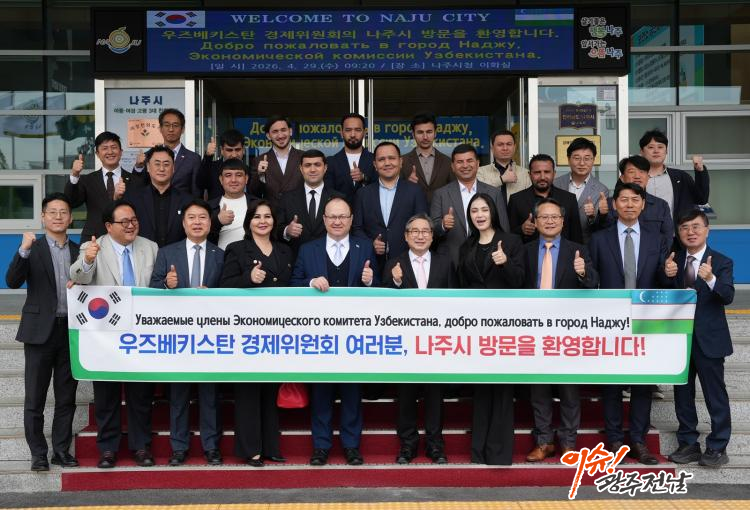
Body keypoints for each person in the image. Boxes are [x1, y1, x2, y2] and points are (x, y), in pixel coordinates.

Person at [589, 181, 675, 465]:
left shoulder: (656, 239)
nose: (629, 204)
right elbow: (592, 280)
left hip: (646, 319)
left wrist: (669, 274)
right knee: (612, 383)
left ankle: (638, 440)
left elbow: (662, 280)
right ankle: (614, 441)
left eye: (634, 199)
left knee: (642, 383)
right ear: (615, 205)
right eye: (623, 199)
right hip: (609, 320)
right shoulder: (599, 239)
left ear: (643, 204)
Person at [69, 199, 159, 468]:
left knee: (140, 395)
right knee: (106, 395)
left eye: (134, 220)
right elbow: (79, 277)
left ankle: (141, 446)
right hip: (105, 337)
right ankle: (108, 449)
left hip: (140, 335)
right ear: (109, 226)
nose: (131, 226)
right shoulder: (93, 247)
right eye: (124, 222)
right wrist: (88, 260)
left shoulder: (150, 247)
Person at [291, 197, 378, 466]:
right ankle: (321, 446)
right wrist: (310, 282)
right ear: (324, 219)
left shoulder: (365, 247)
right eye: (332, 217)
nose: (337, 221)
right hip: (320, 334)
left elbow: (379, 285)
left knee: (352, 390)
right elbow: (293, 283)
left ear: (351, 220)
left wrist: (370, 281)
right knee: (321, 390)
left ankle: (351, 446)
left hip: (355, 332)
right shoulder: (308, 249)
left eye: (342, 216)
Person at [5, 193, 80, 471]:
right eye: (52, 212)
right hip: (39, 333)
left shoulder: (80, 251)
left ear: (70, 218)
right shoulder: (32, 248)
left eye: (64, 212)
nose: (58, 216)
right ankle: (38, 454)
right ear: (43, 217)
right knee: (35, 398)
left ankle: (61, 451)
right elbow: (12, 281)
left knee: (66, 398)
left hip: (70, 331)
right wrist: (23, 250)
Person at [149, 199, 224, 466]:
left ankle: (211, 446)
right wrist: (167, 285)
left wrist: (212, 295)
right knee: (178, 394)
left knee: (209, 394)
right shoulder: (167, 253)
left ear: (210, 223)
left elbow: (230, 293)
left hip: (209, 336)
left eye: (202, 217)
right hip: (178, 336)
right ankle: (179, 447)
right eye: (192, 217)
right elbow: (152, 288)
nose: (197, 222)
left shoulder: (220, 254)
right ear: (183, 223)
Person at [522, 198, 598, 462]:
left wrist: (582, 272)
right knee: (538, 389)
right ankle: (544, 441)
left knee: (568, 390)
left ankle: (568, 442)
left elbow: (594, 283)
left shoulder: (578, 250)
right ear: (535, 222)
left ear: (563, 222)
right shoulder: (525, 250)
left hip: (567, 331)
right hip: (534, 330)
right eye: (544, 217)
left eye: (555, 217)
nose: (550, 221)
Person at [221, 200, 292, 467]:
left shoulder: (285, 250)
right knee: (249, 390)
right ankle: (250, 449)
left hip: (277, 330)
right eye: (257, 217)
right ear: (248, 222)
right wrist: (248, 279)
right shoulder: (237, 249)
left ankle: (270, 447)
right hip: (247, 331)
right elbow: (224, 286)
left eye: (268, 216)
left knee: (270, 389)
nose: (263, 221)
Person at [383, 213, 455, 464]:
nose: (420, 236)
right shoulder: (394, 263)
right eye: (415, 231)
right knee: (406, 395)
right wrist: (396, 281)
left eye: (425, 231)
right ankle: (407, 445)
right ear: (406, 236)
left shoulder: (445, 262)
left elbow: (455, 301)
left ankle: (435, 446)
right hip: (405, 343)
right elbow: (383, 305)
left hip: (436, 342)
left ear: (433, 236)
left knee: (435, 395)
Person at [457, 193, 525, 465]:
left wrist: (505, 263)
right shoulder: (467, 245)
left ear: (493, 212)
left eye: (484, 209)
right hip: (475, 325)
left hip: (504, 324)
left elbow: (521, 281)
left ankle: (499, 453)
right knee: (482, 388)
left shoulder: (511, 242)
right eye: (474, 211)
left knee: (502, 388)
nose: (479, 215)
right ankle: (479, 451)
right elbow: (462, 285)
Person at [667, 210, 734, 468]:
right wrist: (666, 275)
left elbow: (727, 295)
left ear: (707, 230)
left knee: (715, 395)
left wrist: (710, 279)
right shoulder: (672, 260)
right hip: (678, 338)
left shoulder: (722, 261)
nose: (690, 232)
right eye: (685, 227)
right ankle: (688, 443)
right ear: (679, 232)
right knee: (682, 394)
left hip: (709, 340)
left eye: (696, 226)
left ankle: (718, 446)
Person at [353, 142, 428, 272]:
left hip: (408, 263)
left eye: (392, 158)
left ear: (401, 162)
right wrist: (371, 244)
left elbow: (423, 226)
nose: (387, 163)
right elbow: (356, 228)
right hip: (371, 264)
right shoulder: (363, 194)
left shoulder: (415, 191)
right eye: (381, 159)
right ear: (375, 165)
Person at [431, 143, 509, 266]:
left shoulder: (494, 193)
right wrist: (443, 225)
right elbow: (431, 231)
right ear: (452, 166)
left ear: (477, 164)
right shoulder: (440, 194)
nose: (465, 165)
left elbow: (503, 229)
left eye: (469, 161)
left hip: (487, 260)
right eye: (460, 162)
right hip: (451, 261)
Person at [64, 131, 132, 239]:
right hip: (94, 239)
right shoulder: (88, 180)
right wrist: (75, 174)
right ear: (97, 154)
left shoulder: (134, 180)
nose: (110, 152)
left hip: (126, 238)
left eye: (114, 147)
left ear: (121, 152)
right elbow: (71, 202)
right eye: (105, 148)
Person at [277, 149, 345, 257]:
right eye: (307, 165)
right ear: (301, 169)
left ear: (325, 168)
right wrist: (287, 231)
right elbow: (276, 229)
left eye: (317, 165)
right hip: (297, 259)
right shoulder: (286, 198)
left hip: (330, 259)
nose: (312, 170)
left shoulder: (339, 198)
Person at [596, 155, 674, 247]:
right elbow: (598, 236)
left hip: (652, 255)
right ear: (622, 178)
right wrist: (602, 215)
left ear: (648, 177)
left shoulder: (661, 206)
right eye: (631, 172)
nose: (637, 176)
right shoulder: (609, 204)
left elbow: (667, 238)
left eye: (642, 172)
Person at [125, 144, 193, 247]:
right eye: (157, 164)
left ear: (173, 168)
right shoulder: (133, 198)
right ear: (148, 167)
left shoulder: (187, 200)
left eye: (166, 164)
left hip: (176, 255)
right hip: (142, 253)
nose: (162, 169)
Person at [508, 154, 583, 244]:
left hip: (564, 252)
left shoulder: (569, 199)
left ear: (554, 174)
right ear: (530, 174)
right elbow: (508, 235)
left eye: (547, 172)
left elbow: (576, 236)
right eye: (537, 172)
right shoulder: (516, 200)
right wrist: (521, 229)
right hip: (528, 252)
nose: (542, 177)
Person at [640, 129, 710, 225]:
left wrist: (700, 171)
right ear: (642, 152)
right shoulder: (635, 178)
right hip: (644, 232)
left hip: (674, 232)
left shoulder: (681, 177)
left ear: (666, 151)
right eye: (651, 147)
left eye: (660, 147)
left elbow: (701, 199)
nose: (656, 151)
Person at [552, 137, 609, 243]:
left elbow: (600, 226)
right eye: (577, 158)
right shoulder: (555, 184)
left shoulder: (601, 190)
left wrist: (592, 216)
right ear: (568, 159)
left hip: (586, 244)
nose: (582, 163)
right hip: (557, 242)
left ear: (593, 160)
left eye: (587, 158)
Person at [133, 108, 202, 196]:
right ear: (160, 128)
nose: (171, 129)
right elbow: (138, 187)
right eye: (167, 125)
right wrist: (138, 167)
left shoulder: (193, 158)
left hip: (183, 203)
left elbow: (196, 192)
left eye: (175, 125)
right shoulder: (148, 156)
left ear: (183, 129)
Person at [400, 112, 454, 204]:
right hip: (413, 212)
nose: (425, 137)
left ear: (435, 133)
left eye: (429, 132)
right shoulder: (402, 161)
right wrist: (406, 185)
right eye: (420, 132)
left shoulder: (448, 162)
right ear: (413, 134)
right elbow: (396, 194)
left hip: (441, 212)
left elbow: (453, 192)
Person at [249, 115, 303, 202]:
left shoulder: (303, 157)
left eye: (283, 130)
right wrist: (260, 175)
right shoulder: (259, 161)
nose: (280, 135)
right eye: (275, 131)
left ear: (290, 131)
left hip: (298, 210)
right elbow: (253, 194)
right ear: (268, 136)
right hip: (272, 210)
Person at [324, 113, 377, 202]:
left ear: (364, 133)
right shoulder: (331, 162)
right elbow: (328, 191)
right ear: (341, 133)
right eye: (348, 130)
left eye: (357, 130)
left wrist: (364, 177)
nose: (353, 134)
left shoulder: (375, 159)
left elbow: (382, 187)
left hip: (369, 210)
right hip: (340, 210)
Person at [207, 158, 256, 249]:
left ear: (246, 179)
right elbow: (199, 235)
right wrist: (218, 221)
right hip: (220, 257)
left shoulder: (257, 205)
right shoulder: (208, 207)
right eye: (228, 175)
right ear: (221, 179)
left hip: (251, 256)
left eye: (239, 175)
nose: (233, 180)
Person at [476, 129, 532, 209]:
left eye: (509, 144)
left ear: (514, 147)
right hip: (490, 215)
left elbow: (529, 201)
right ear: (492, 148)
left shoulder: (525, 173)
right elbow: (477, 192)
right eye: (500, 144)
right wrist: (502, 179)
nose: (505, 148)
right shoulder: (480, 171)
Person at [197, 128, 247, 201]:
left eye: (237, 150)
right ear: (222, 150)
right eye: (229, 150)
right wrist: (208, 157)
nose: (234, 155)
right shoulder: (212, 168)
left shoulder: (249, 170)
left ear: (243, 150)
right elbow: (200, 184)